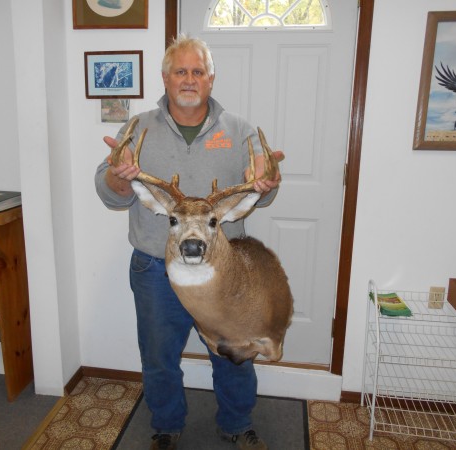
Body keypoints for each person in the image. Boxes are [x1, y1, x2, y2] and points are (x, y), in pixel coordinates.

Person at [95, 34, 281, 450]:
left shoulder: (239, 130)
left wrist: (268, 183)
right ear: (165, 78)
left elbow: (260, 193)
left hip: (224, 272)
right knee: (159, 358)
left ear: (212, 79)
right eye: (181, 71)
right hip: (156, 268)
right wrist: (116, 176)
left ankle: (236, 423)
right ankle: (166, 426)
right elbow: (109, 193)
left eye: (198, 71)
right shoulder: (137, 128)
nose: (189, 79)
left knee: (233, 354)